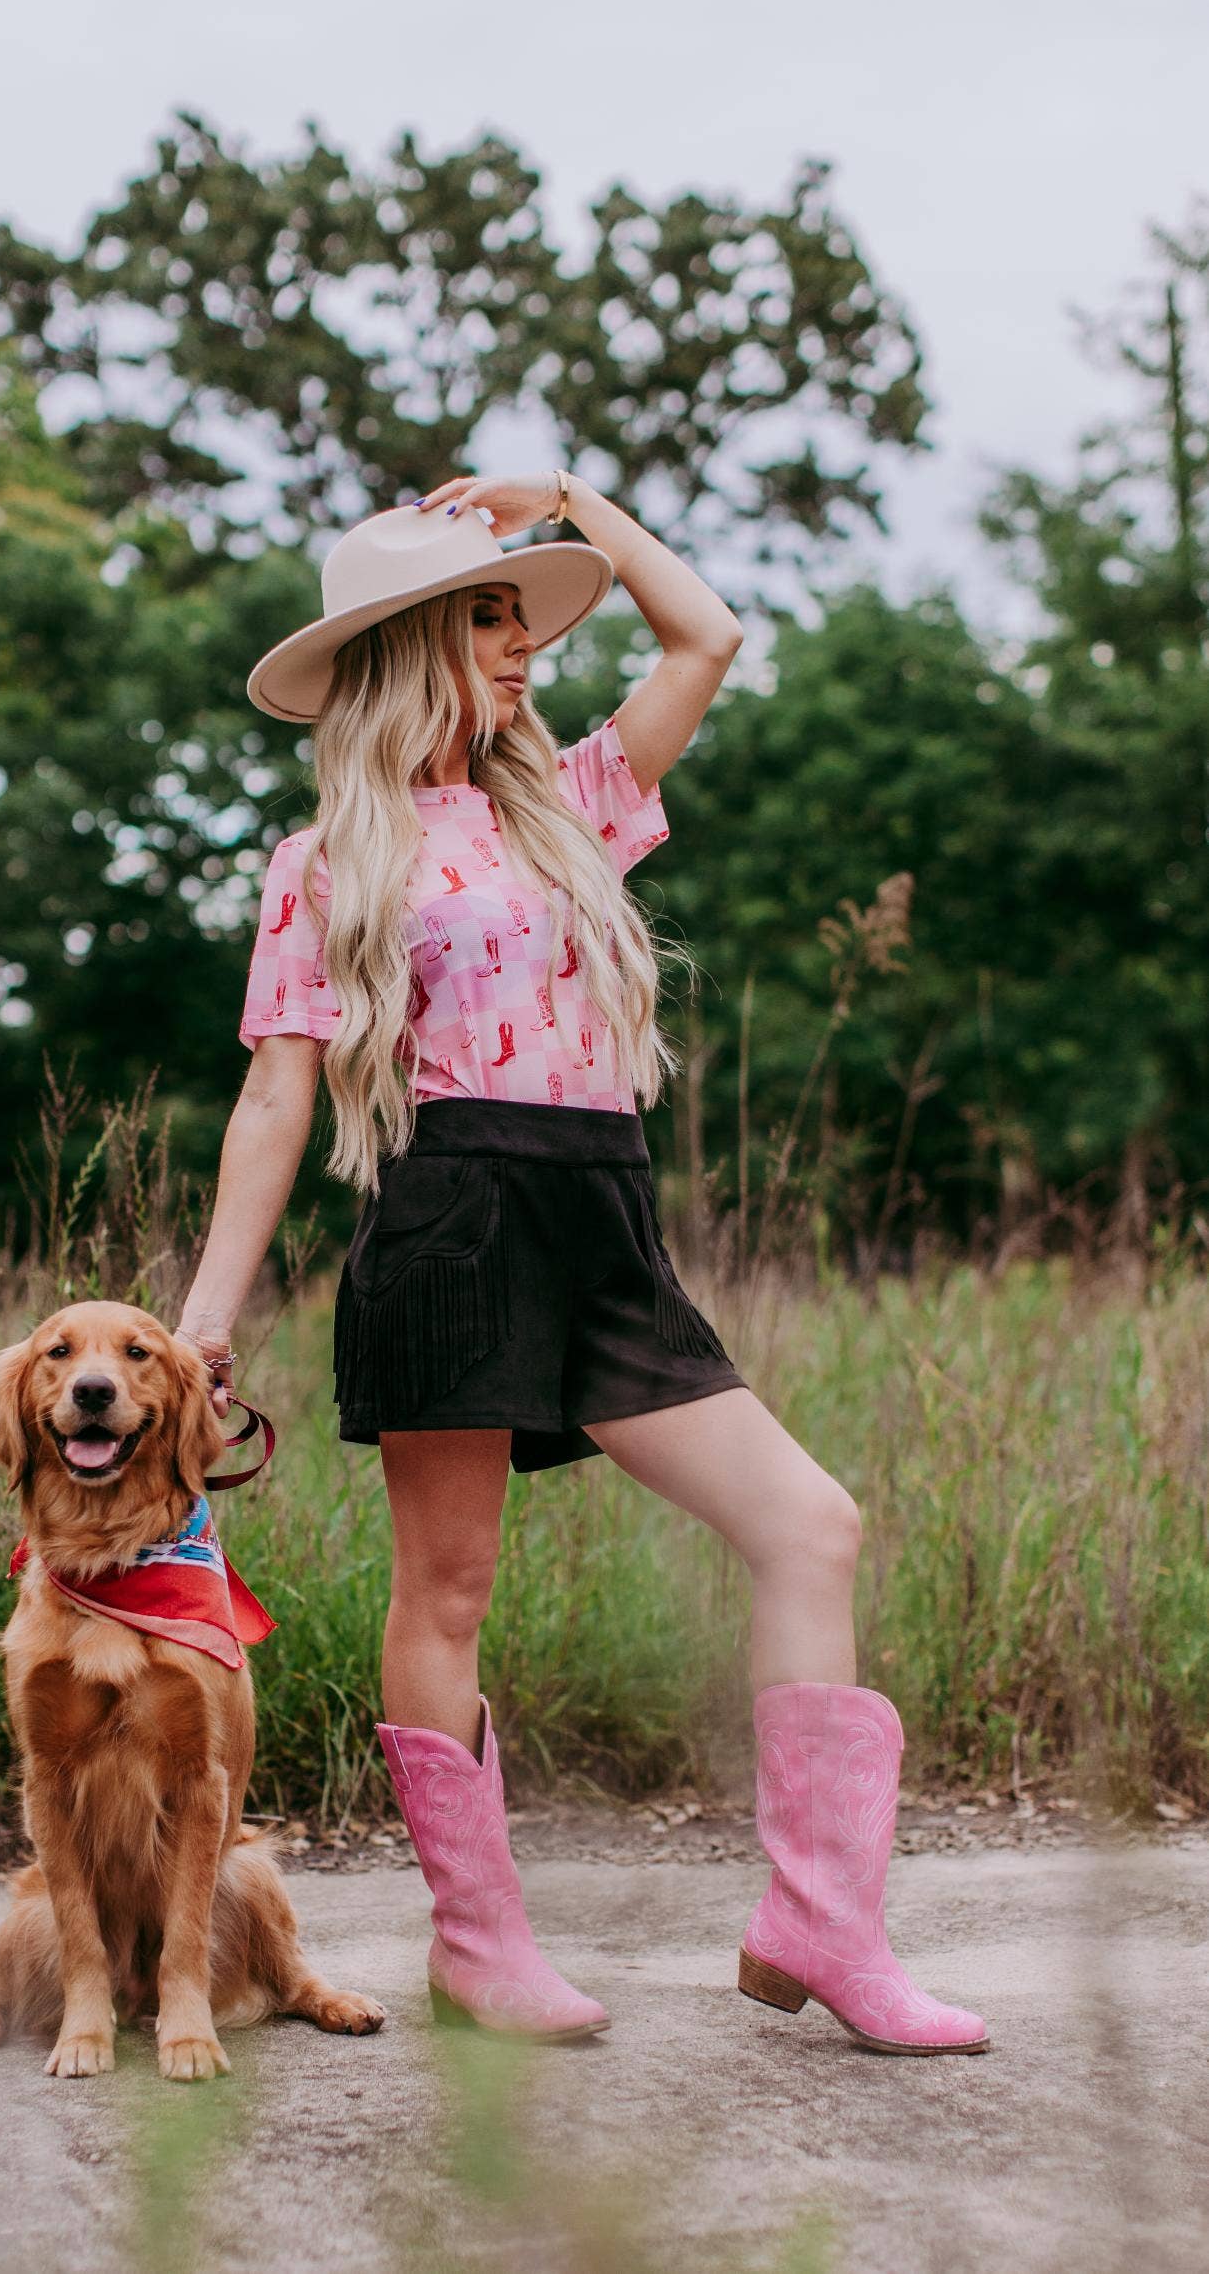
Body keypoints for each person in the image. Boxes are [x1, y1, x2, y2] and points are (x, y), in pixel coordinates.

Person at [174, 471, 987, 2056]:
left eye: (520, 617)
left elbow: (706, 636)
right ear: (406, 644)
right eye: (485, 617)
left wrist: (573, 503)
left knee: (809, 1526)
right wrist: (205, 1324)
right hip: (450, 1219)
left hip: (602, 1215)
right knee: (449, 1589)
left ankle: (821, 1926)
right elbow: (276, 1096)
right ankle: (477, 1948)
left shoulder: (571, 803)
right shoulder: (323, 855)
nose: (521, 644)